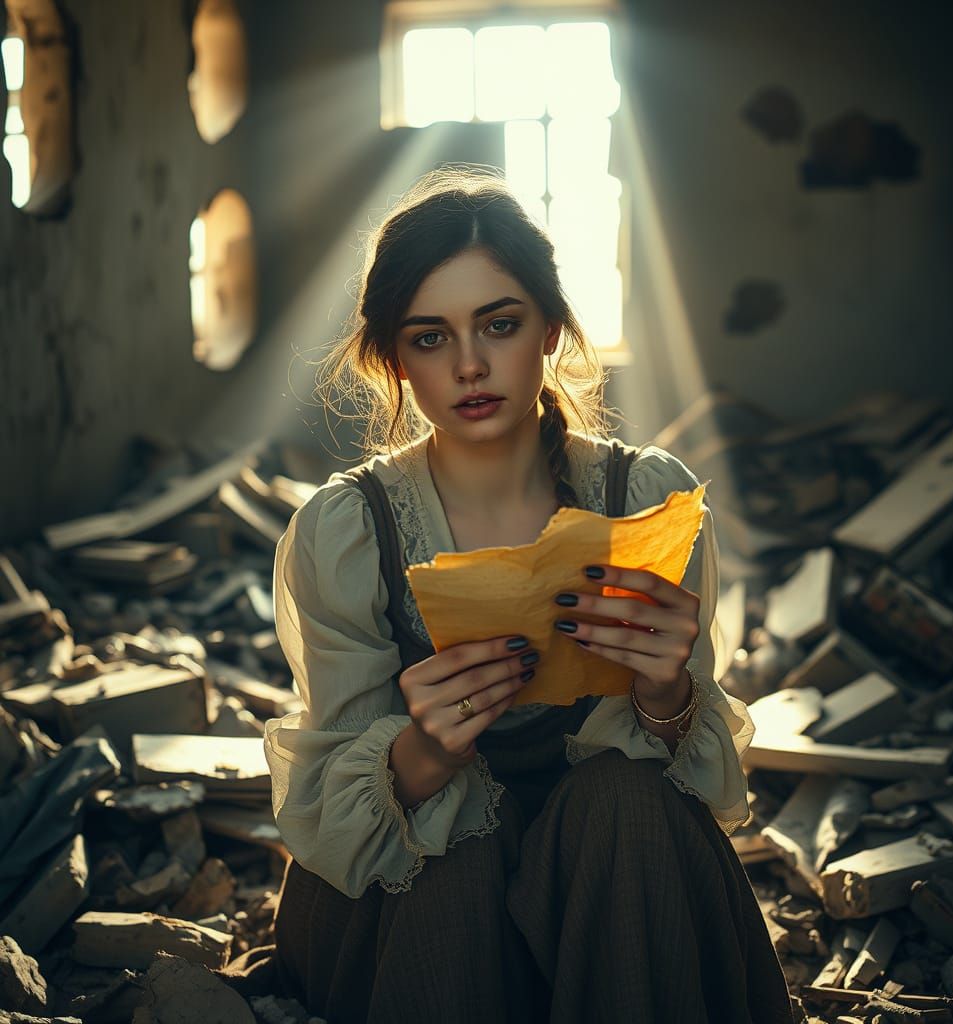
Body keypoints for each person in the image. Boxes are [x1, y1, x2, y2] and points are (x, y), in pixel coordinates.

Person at [259, 166, 792, 1022]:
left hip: (621, 882)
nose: (470, 364)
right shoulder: (349, 531)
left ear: (549, 330)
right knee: (454, 852)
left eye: (498, 325)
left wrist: (664, 694)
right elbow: (332, 800)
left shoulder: (644, 501)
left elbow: (700, 785)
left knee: (627, 804)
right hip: (415, 898)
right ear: (395, 358)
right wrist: (425, 752)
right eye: (430, 338)